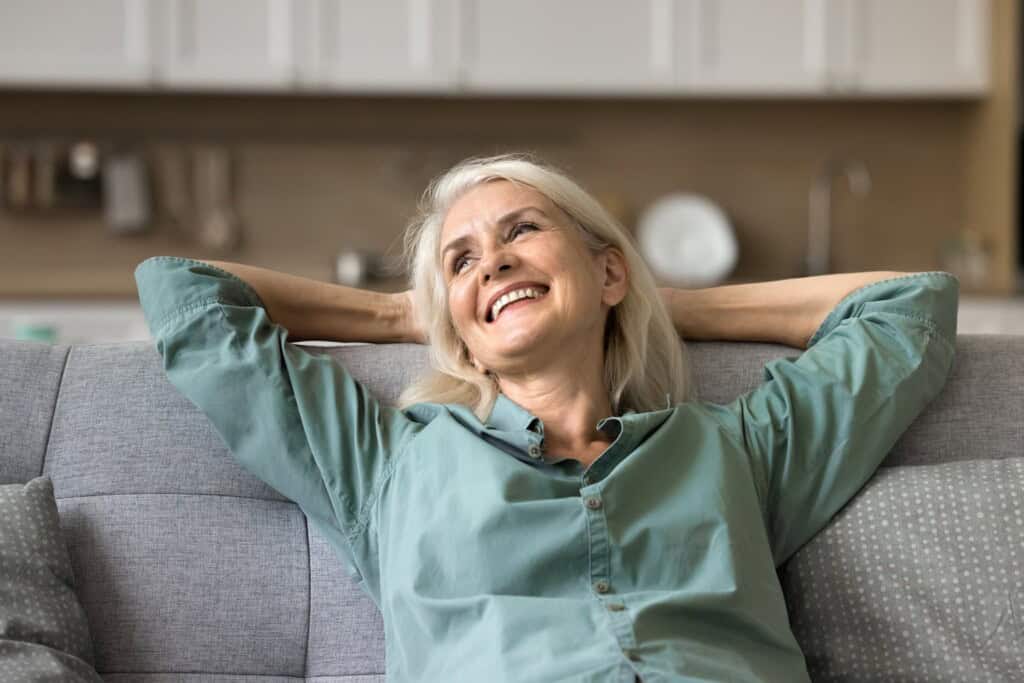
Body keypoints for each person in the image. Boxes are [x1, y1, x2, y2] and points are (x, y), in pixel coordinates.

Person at [134, 152, 959, 682]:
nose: (492, 259)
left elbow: (908, 310)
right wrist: (402, 315)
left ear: (608, 273)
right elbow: (185, 294)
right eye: (462, 260)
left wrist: (656, 301)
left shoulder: (732, 449)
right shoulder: (385, 467)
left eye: (522, 231)